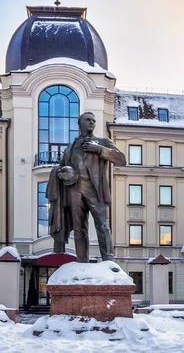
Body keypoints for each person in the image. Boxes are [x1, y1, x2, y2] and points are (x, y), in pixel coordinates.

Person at [46, 112, 126, 262]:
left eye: (94, 121)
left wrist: (99, 150)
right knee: (79, 229)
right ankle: (82, 261)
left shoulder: (103, 141)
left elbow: (121, 159)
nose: (92, 123)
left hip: (96, 189)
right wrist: (60, 172)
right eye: (88, 120)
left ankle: (109, 261)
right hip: (74, 189)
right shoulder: (70, 147)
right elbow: (62, 166)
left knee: (103, 225)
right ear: (80, 123)